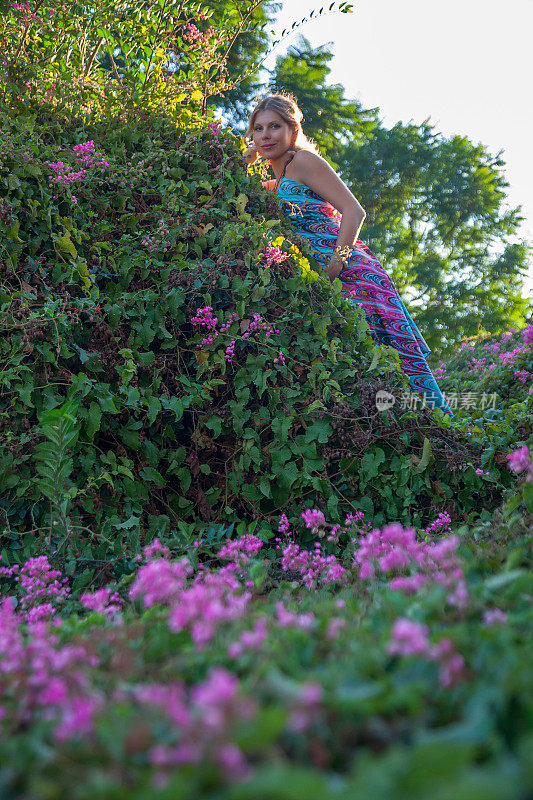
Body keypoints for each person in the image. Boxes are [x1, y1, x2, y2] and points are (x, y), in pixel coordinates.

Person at [244, 92, 454, 418]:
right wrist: (249, 157)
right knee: (365, 372)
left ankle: (440, 435)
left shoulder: (303, 162)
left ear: (292, 129)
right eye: (258, 128)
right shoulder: (277, 179)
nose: (266, 135)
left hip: (350, 271)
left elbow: (354, 212)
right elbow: (227, 178)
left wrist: (334, 265)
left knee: (392, 365)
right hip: (323, 278)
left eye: (275, 126)